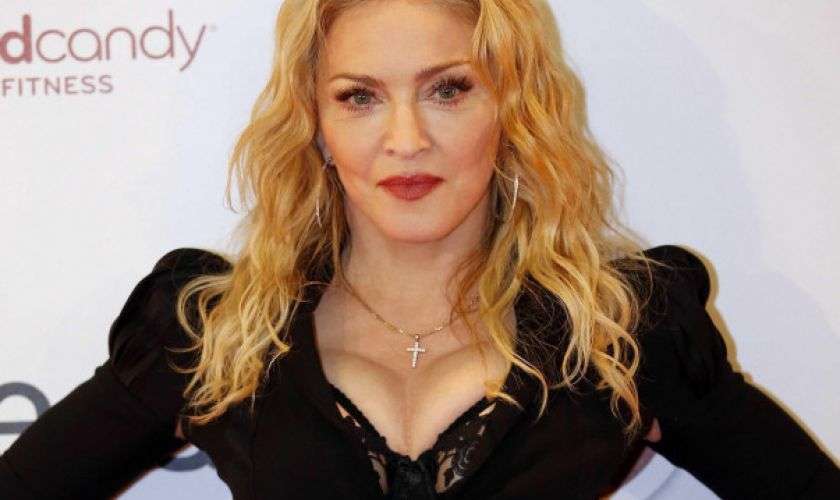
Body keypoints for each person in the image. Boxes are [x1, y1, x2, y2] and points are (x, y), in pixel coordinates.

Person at [2, 0, 839, 498]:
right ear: (316, 124)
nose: (406, 140)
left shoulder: (623, 329)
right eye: (359, 97)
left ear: (512, 107)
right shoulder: (214, 332)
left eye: (448, 89)